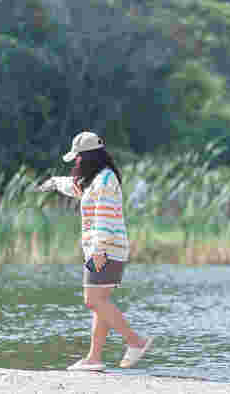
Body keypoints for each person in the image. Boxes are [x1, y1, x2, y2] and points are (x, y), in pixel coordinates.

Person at [38, 131, 154, 371]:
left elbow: (105, 218)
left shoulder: (105, 181)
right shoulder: (96, 179)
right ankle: (94, 358)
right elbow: (75, 187)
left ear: (88, 157)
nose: (76, 162)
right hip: (106, 249)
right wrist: (53, 183)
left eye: (78, 158)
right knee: (100, 301)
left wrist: (98, 250)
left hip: (104, 250)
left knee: (92, 300)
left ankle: (136, 342)